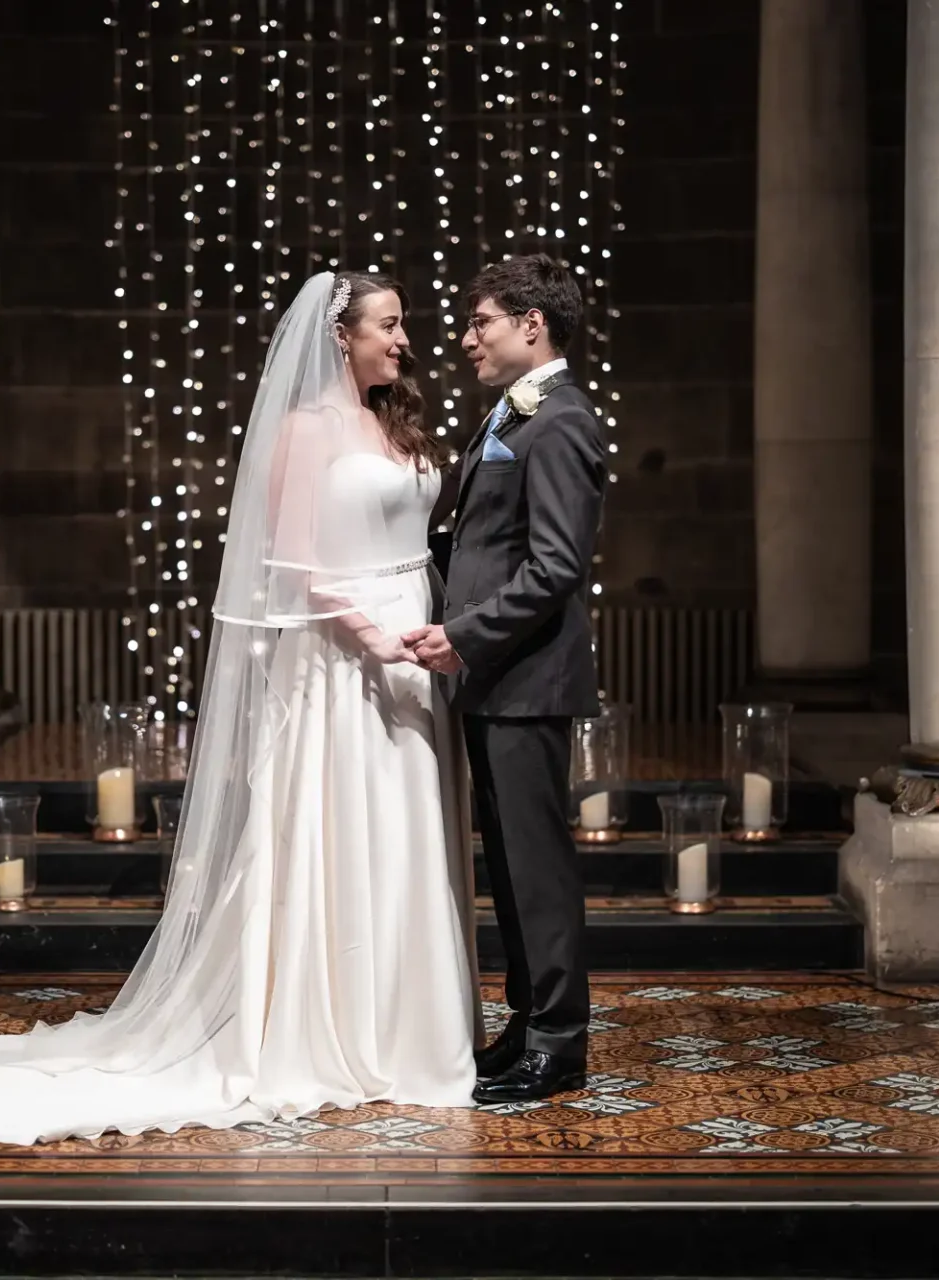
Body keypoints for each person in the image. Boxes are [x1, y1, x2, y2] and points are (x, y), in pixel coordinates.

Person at [0, 272, 480, 1144]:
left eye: (401, 326)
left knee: (407, 832)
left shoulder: (398, 420)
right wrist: (367, 633)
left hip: (415, 650)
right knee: (338, 829)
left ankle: (412, 1028)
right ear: (339, 337)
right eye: (388, 325)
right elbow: (288, 562)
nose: (404, 339)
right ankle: (331, 1026)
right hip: (340, 655)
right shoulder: (302, 431)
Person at [404, 253, 607, 1105]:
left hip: (525, 678)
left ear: (533, 324)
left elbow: (557, 565)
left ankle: (559, 1043)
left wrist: (463, 635)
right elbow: (483, 542)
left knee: (537, 865)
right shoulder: (513, 416)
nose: (465, 338)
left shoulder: (559, 421)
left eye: (479, 320)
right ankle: (527, 1025)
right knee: (512, 866)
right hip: (495, 680)